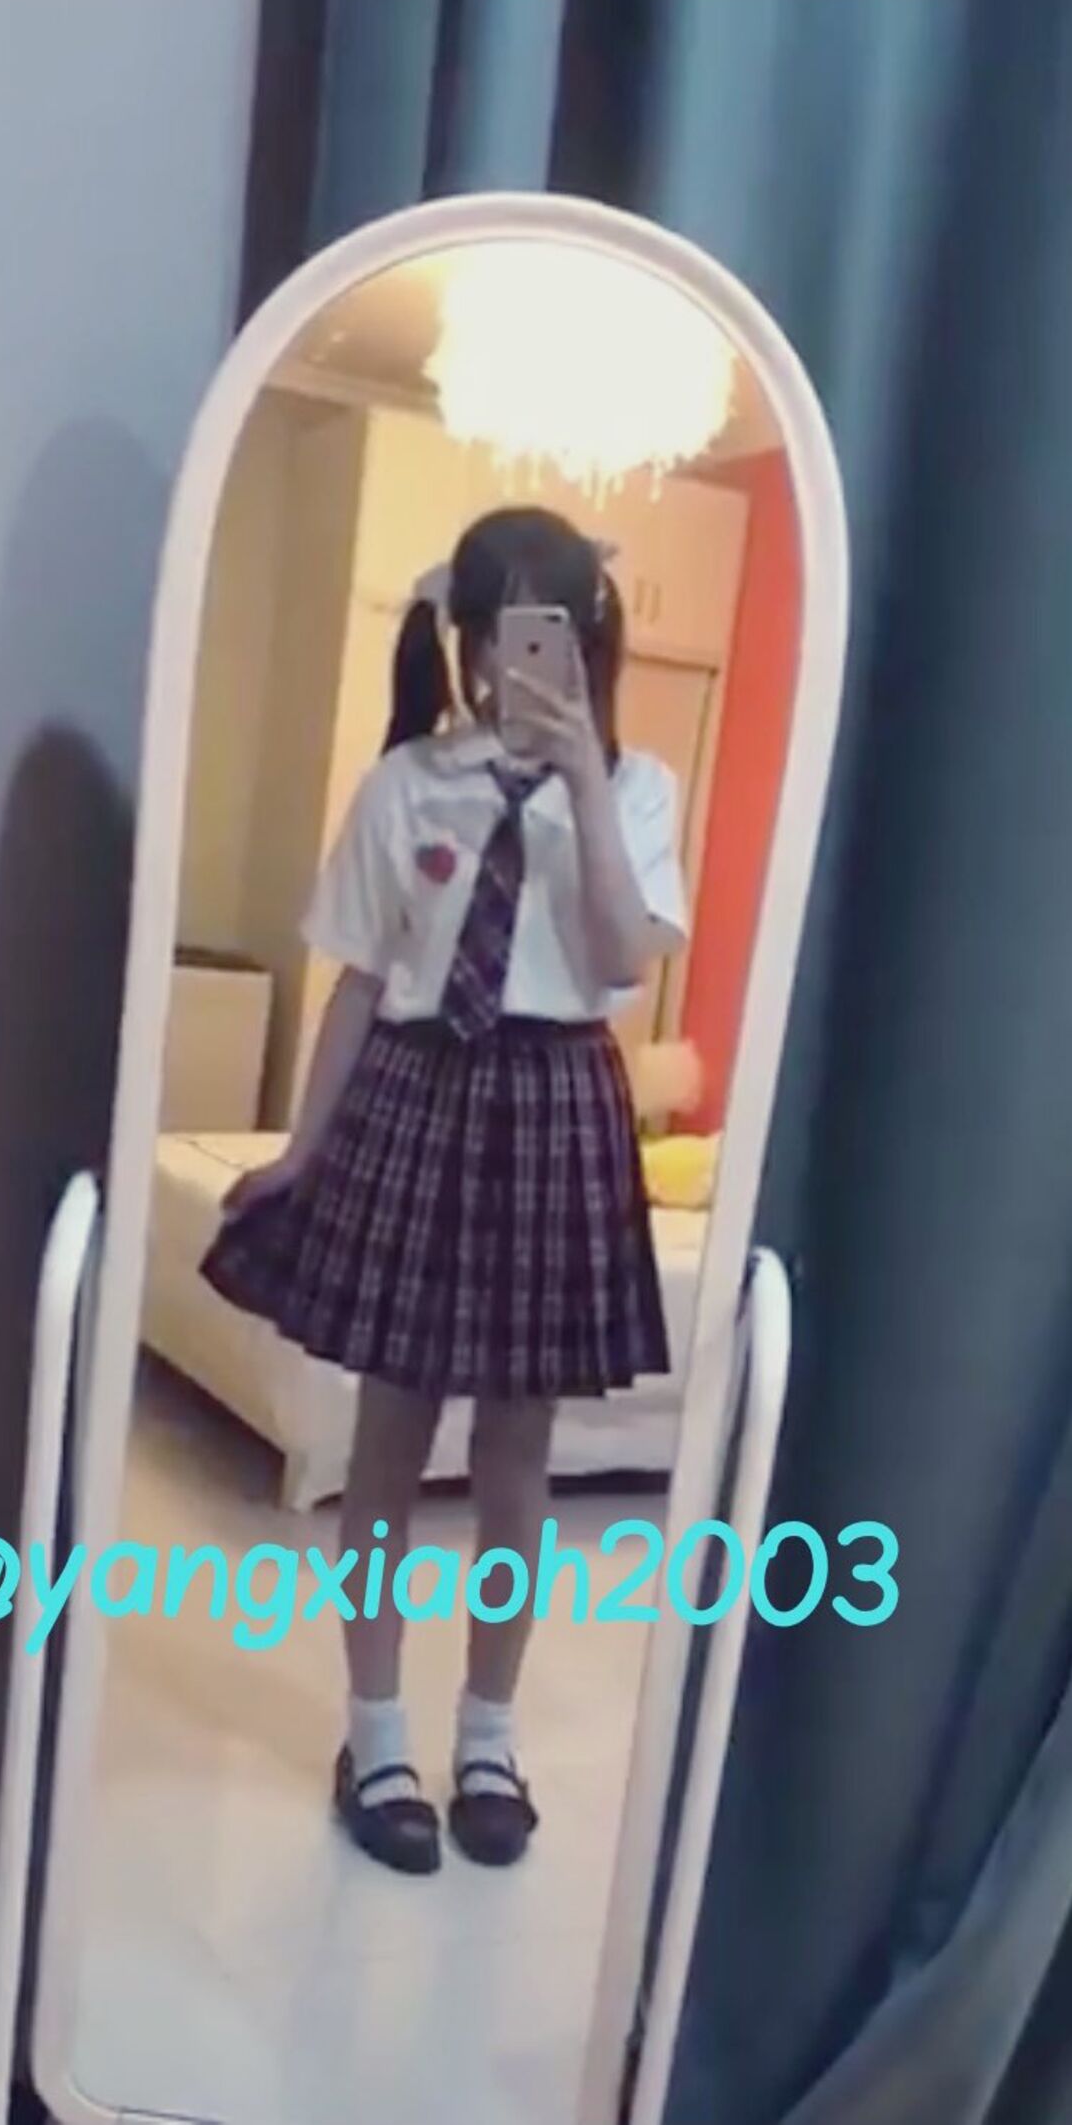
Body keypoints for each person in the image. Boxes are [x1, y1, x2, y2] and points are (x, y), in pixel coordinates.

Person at [201, 507, 687, 1874]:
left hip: (557, 1103)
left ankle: (486, 1734)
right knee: (390, 1441)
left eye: (557, 632)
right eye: (505, 632)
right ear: (469, 642)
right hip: (416, 1097)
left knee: (519, 1450)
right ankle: (374, 1732)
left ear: (589, 642)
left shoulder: (639, 789)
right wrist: (301, 1151)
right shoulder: (407, 783)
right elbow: (362, 982)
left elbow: (621, 958)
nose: (526, 662)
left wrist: (585, 780)